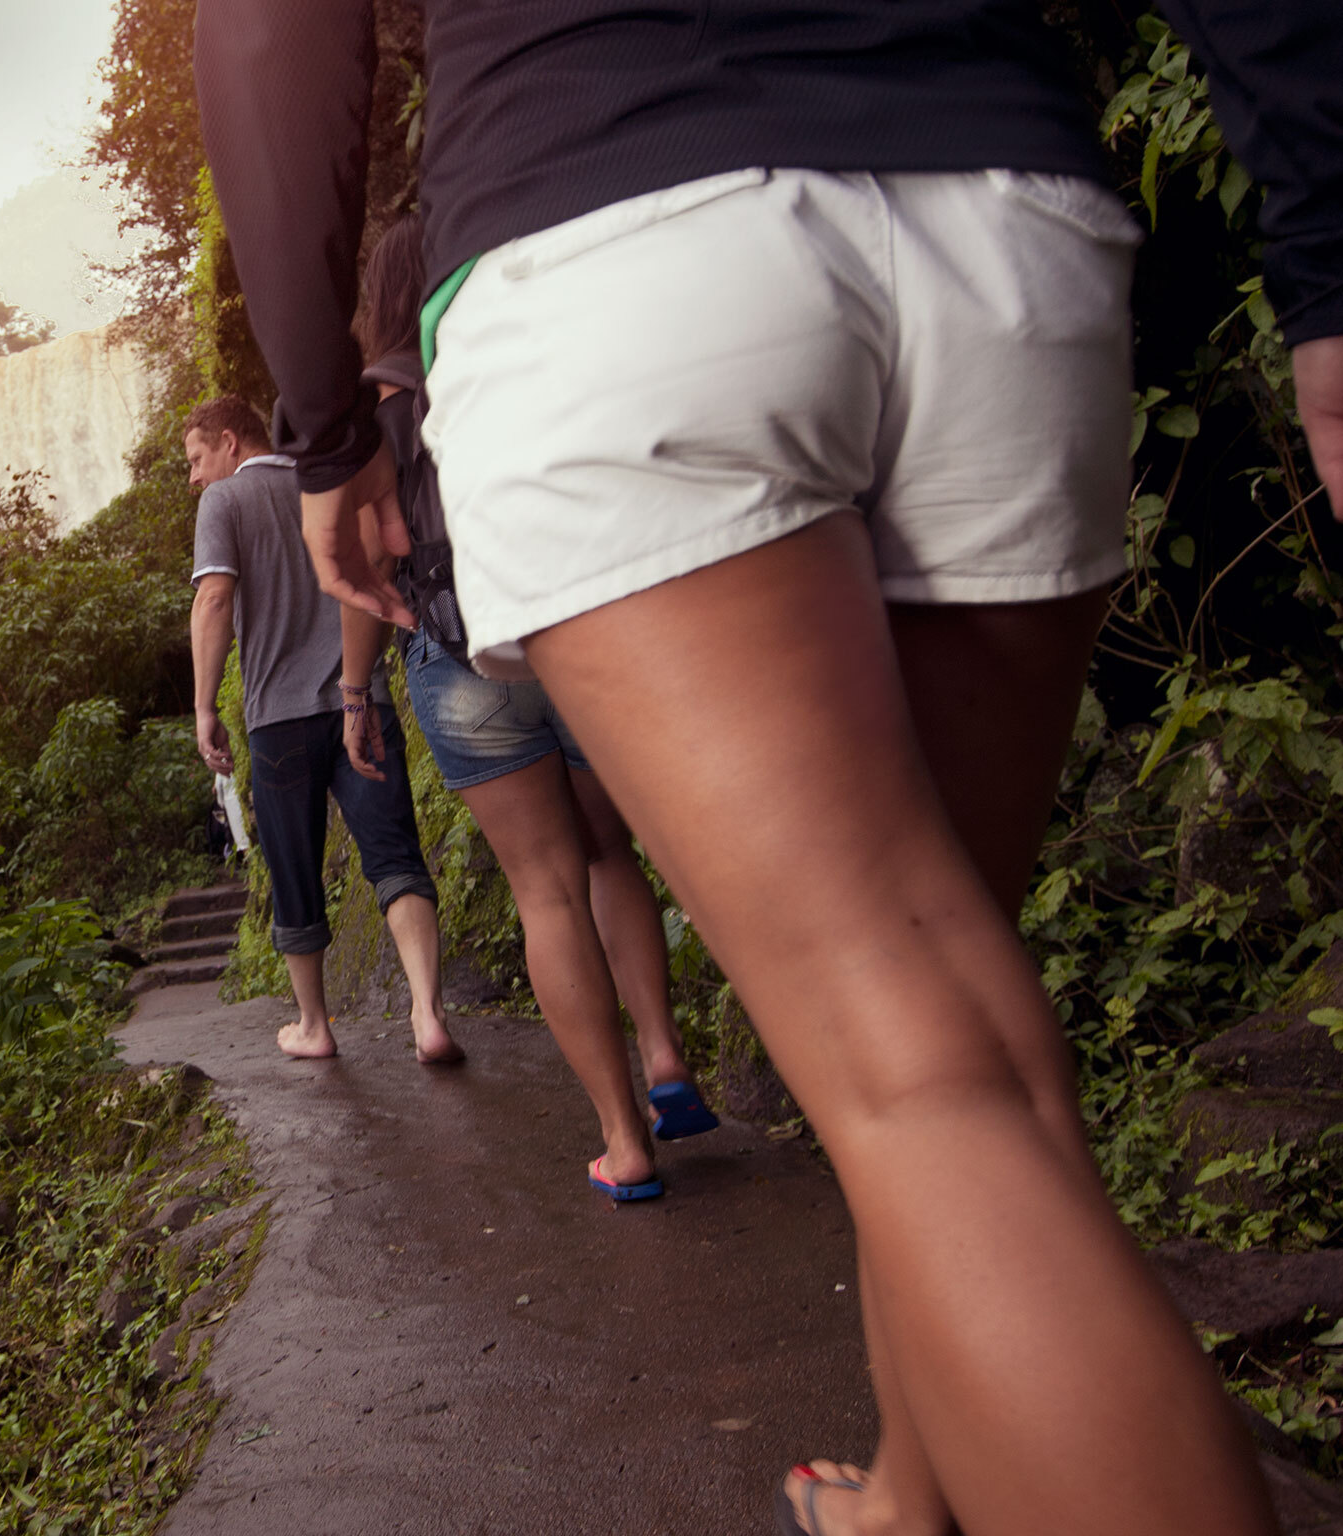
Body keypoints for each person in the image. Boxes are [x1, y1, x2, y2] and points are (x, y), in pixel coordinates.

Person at [194, 0, 1336, 1531]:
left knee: (924, 1074)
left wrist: (325, 432)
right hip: (1000, 218)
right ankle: (911, 1496)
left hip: (611, 243)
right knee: (960, 1032)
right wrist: (1323, 257)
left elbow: (274, 32)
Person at [340, 210, 718, 1203]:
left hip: (460, 656)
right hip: (574, 635)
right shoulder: (521, 367)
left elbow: (367, 569)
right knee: (608, 856)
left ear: (372, 306)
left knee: (544, 890)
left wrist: (353, 688)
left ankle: (621, 1143)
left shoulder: (370, 422)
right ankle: (668, 1060)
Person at [186, 395, 459, 1065]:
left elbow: (215, 597)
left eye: (195, 460)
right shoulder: (328, 482)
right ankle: (427, 1015)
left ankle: (314, 1025)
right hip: (357, 702)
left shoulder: (225, 504)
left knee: (294, 872)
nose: (193, 477)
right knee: (395, 855)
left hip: (279, 721)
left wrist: (203, 708)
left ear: (230, 442)